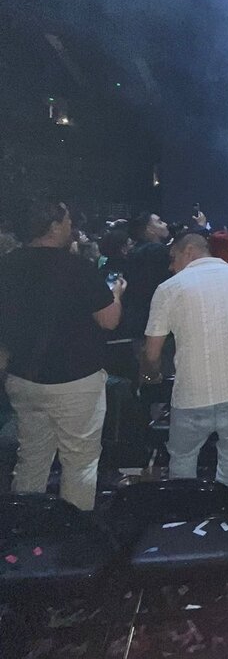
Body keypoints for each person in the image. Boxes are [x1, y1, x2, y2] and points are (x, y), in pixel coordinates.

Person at [0, 198, 125, 510]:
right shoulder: (77, 267)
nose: (72, 226)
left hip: (23, 376)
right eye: (68, 220)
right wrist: (117, 295)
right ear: (54, 227)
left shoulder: (7, 265)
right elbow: (108, 320)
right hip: (74, 380)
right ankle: (73, 530)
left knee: (31, 457)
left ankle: (24, 526)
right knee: (79, 462)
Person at [141, 233, 228, 495]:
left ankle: (187, 515)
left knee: (183, 461)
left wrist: (150, 377)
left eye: (173, 258)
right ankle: (224, 513)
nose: (171, 266)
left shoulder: (170, 289)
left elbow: (152, 353)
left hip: (192, 395)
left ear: (189, 251)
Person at [119, 210, 171, 338]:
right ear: (149, 229)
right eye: (159, 222)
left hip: (137, 317)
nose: (165, 224)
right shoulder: (157, 251)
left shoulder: (135, 252)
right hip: (156, 316)